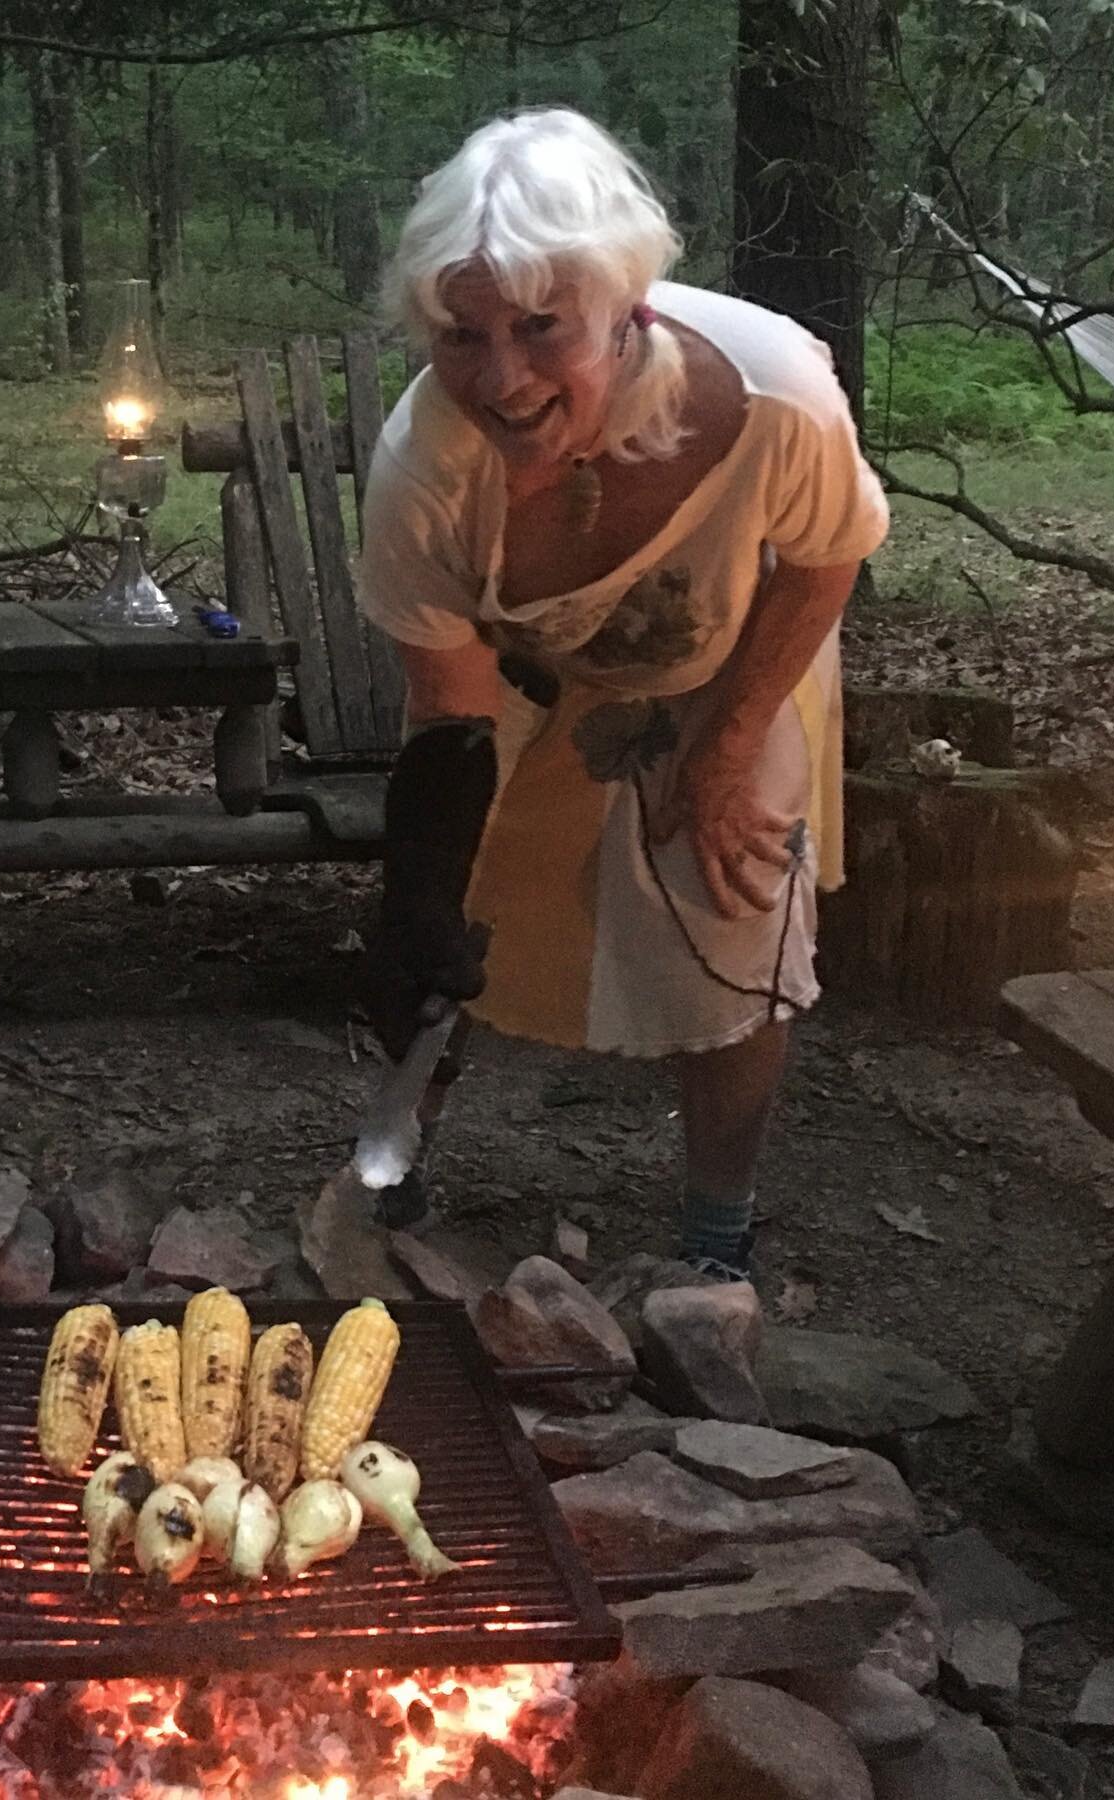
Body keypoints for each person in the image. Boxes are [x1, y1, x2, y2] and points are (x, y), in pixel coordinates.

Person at [355, 107, 888, 1280]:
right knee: (445, 922)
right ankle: (391, 1169)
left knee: (735, 908)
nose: (501, 377)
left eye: (544, 327)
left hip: (726, 650)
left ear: (625, 306)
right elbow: (453, 712)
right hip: (520, 678)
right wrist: (423, 890)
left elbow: (829, 555)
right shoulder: (423, 471)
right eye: (461, 334)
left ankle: (717, 1233)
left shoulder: (775, 396)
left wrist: (727, 746)